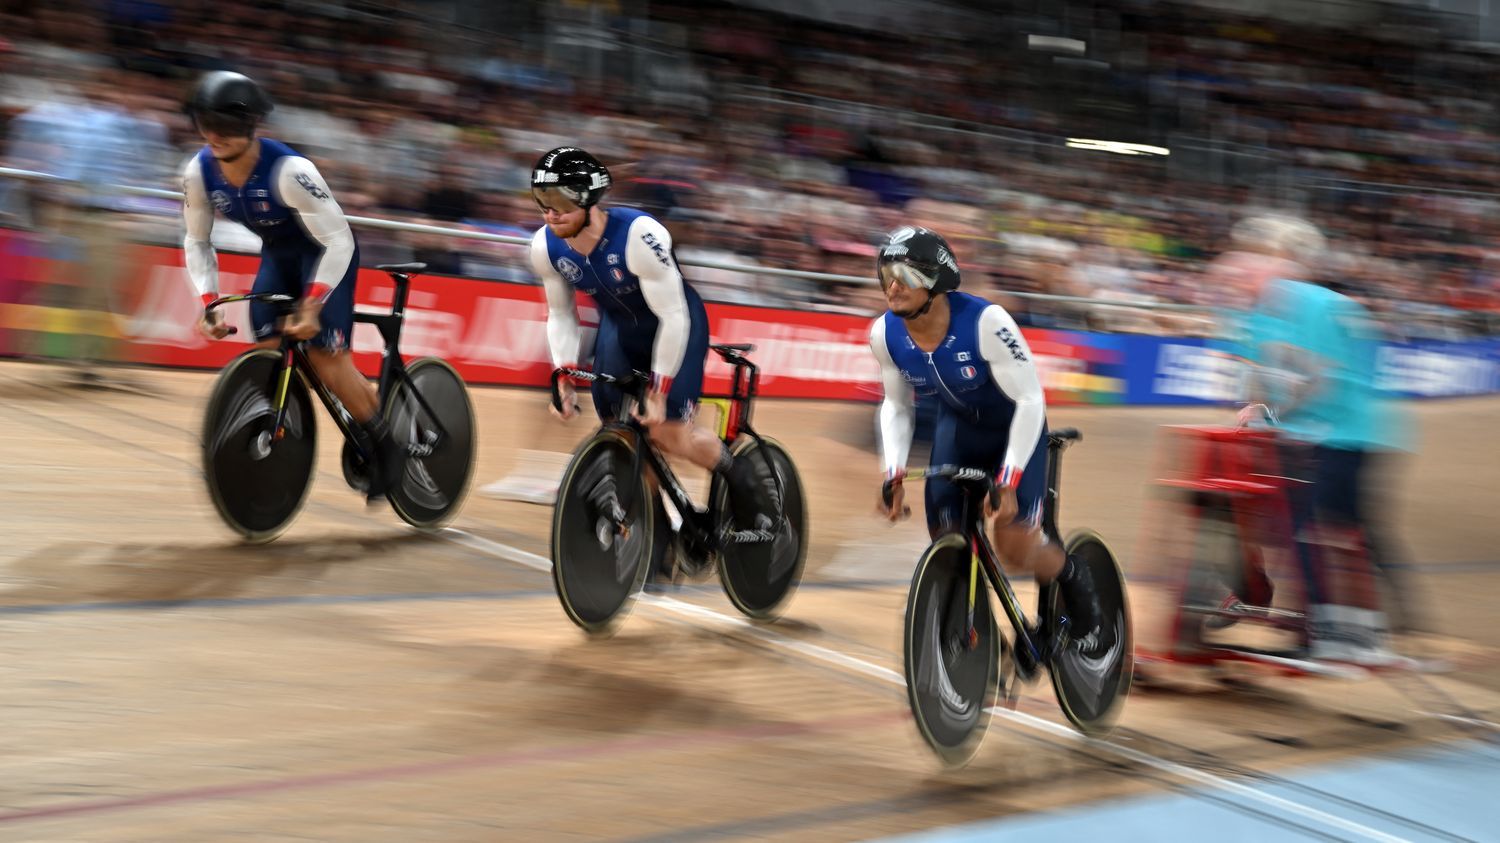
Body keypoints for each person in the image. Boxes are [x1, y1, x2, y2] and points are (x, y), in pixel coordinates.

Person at [529, 147, 775, 567]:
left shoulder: (640, 235)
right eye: (543, 202)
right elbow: (561, 314)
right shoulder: (545, 247)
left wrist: (660, 388)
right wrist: (563, 373)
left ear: (589, 199)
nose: (551, 213)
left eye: (562, 202)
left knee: (668, 433)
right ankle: (659, 533)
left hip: (676, 323)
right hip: (621, 331)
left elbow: (673, 315)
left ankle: (748, 487)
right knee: (622, 434)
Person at [869, 226, 1107, 649]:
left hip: (1015, 430)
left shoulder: (986, 323)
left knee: (1014, 545)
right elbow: (897, 407)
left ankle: (1074, 578)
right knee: (947, 541)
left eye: (903, 274)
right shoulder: (884, 335)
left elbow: (1030, 400)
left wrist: (1009, 478)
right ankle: (981, 646)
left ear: (935, 278)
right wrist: (893, 472)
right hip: (959, 430)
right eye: (885, 273)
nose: (891, 286)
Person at [180, 71, 404, 499]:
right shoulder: (198, 171)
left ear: (249, 127)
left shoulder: (290, 172)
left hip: (325, 255)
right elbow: (197, 239)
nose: (213, 135)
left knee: (326, 359)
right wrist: (209, 302)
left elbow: (338, 240)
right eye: (204, 123)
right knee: (267, 351)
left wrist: (314, 303)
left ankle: (387, 445)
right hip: (280, 257)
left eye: (225, 126)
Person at [1236, 214, 1417, 664]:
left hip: (1345, 432)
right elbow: (1260, 370)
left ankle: (1336, 630)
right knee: (1324, 528)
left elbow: (1322, 380)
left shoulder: (1316, 306)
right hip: (1322, 431)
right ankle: (1342, 627)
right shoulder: (1268, 310)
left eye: (1263, 258)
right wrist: (1255, 406)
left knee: (1321, 529)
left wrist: (1271, 415)